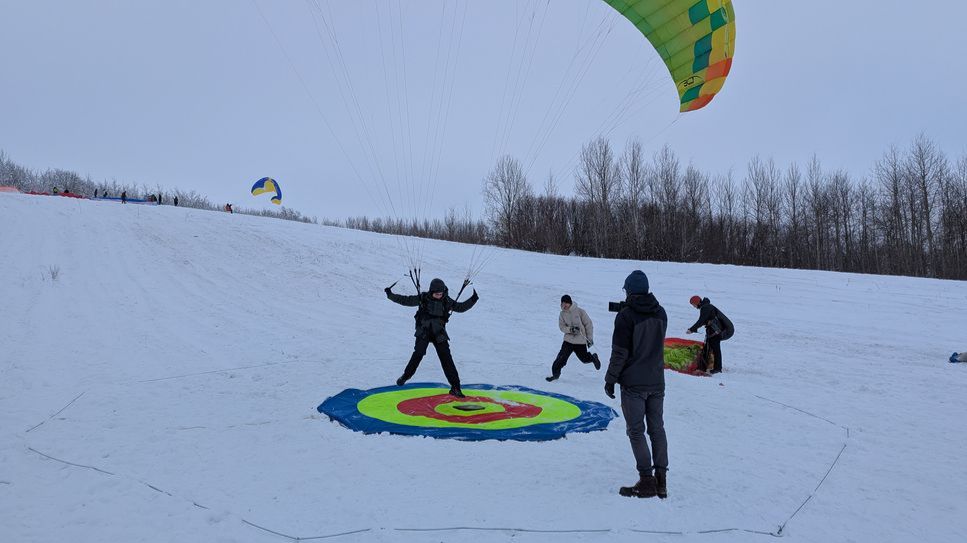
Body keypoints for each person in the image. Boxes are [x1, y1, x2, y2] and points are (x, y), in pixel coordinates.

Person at [605, 270, 668, 499]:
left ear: (629, 290)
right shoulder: (661, 313)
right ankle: (661, 480)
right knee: (657, 429)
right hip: (657, 382)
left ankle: (647, 480)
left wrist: (610, 379)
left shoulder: (626, 316)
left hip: (633, 385)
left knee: (636, 431)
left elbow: (620, 353)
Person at [386, 278, 479, 398]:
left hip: (439, 333)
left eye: (440, 294)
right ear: (431, 292)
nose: (439, 296)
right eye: (436, 294)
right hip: (424, 332)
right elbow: (406, 300)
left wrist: (473, 299)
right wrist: (390, 295)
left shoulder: (446, 301)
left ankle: (455, 387)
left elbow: (460, 307)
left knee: (446, 358)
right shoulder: (423, 298)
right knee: (418, 353)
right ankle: (405, 376)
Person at [546, 295, 600, 381]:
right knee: (560, 359)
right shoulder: (562, 314)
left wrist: (589, 339)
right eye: (562, 303)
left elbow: (588, 325)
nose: (564, 305)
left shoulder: (580, 312)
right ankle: (555, 375)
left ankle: (593, 358)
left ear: (570, 303)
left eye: (566, 303)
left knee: (584, 359)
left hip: (580, 341)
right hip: (568, 341)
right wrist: (570, 329)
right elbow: (562, 327)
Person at [686, 295, 733, 374]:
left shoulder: (706, 308)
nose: (693, 306)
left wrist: (692, 329)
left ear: (696, 302)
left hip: (719, 331)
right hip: (715, 331)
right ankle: (709, 365)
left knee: (715, 349)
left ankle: (717, 368)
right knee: (711, 346)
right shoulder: (706, 307)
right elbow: (705, 320)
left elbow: (701, 320)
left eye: (693, 304)